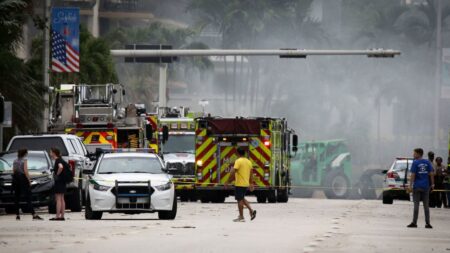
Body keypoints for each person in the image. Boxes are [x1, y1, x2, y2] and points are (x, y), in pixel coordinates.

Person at [225, 147, 257, 222]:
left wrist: (228, 181)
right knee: (242, 198)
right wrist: (251, 183)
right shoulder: (249, 162)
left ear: (237, 153)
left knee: (239, 200)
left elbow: (233, 172)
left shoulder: (238, 161)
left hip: (239, 184)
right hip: (245, 184)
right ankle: (251, 211)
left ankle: (241, 217)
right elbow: (251, 173)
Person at [407, 148, 434, 229]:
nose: (413, 155)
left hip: (417, 187)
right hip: (426, 187)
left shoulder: (415, 163)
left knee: (416, 205)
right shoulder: (427, 162)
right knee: (426, 206)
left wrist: (410, 185)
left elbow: (413, 175)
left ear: (419, 154)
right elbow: (431, 173)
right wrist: (432, 184)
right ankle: (428, 223)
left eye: (414, 153)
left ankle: (414, 223)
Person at [12, 149, 43, 220]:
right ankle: (33, 214)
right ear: (25, 153)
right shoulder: (24, 160)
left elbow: (14, 170)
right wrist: (29, 180)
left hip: (16, 179)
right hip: (23, 179)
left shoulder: (15, 161)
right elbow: (26, 171)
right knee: (28, 197)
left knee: (17, 197)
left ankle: (17, 215)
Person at [50, 147, 66, 221]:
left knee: (58, 199)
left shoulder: (57, 160)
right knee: (62, 198)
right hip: (63, 181)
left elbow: (61, 167)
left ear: (54, 153)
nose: (50, 153)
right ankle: (62, 216)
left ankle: (57, 216)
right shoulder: (61, 159)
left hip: (59, 182)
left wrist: (57, 174)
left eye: (50, 152)